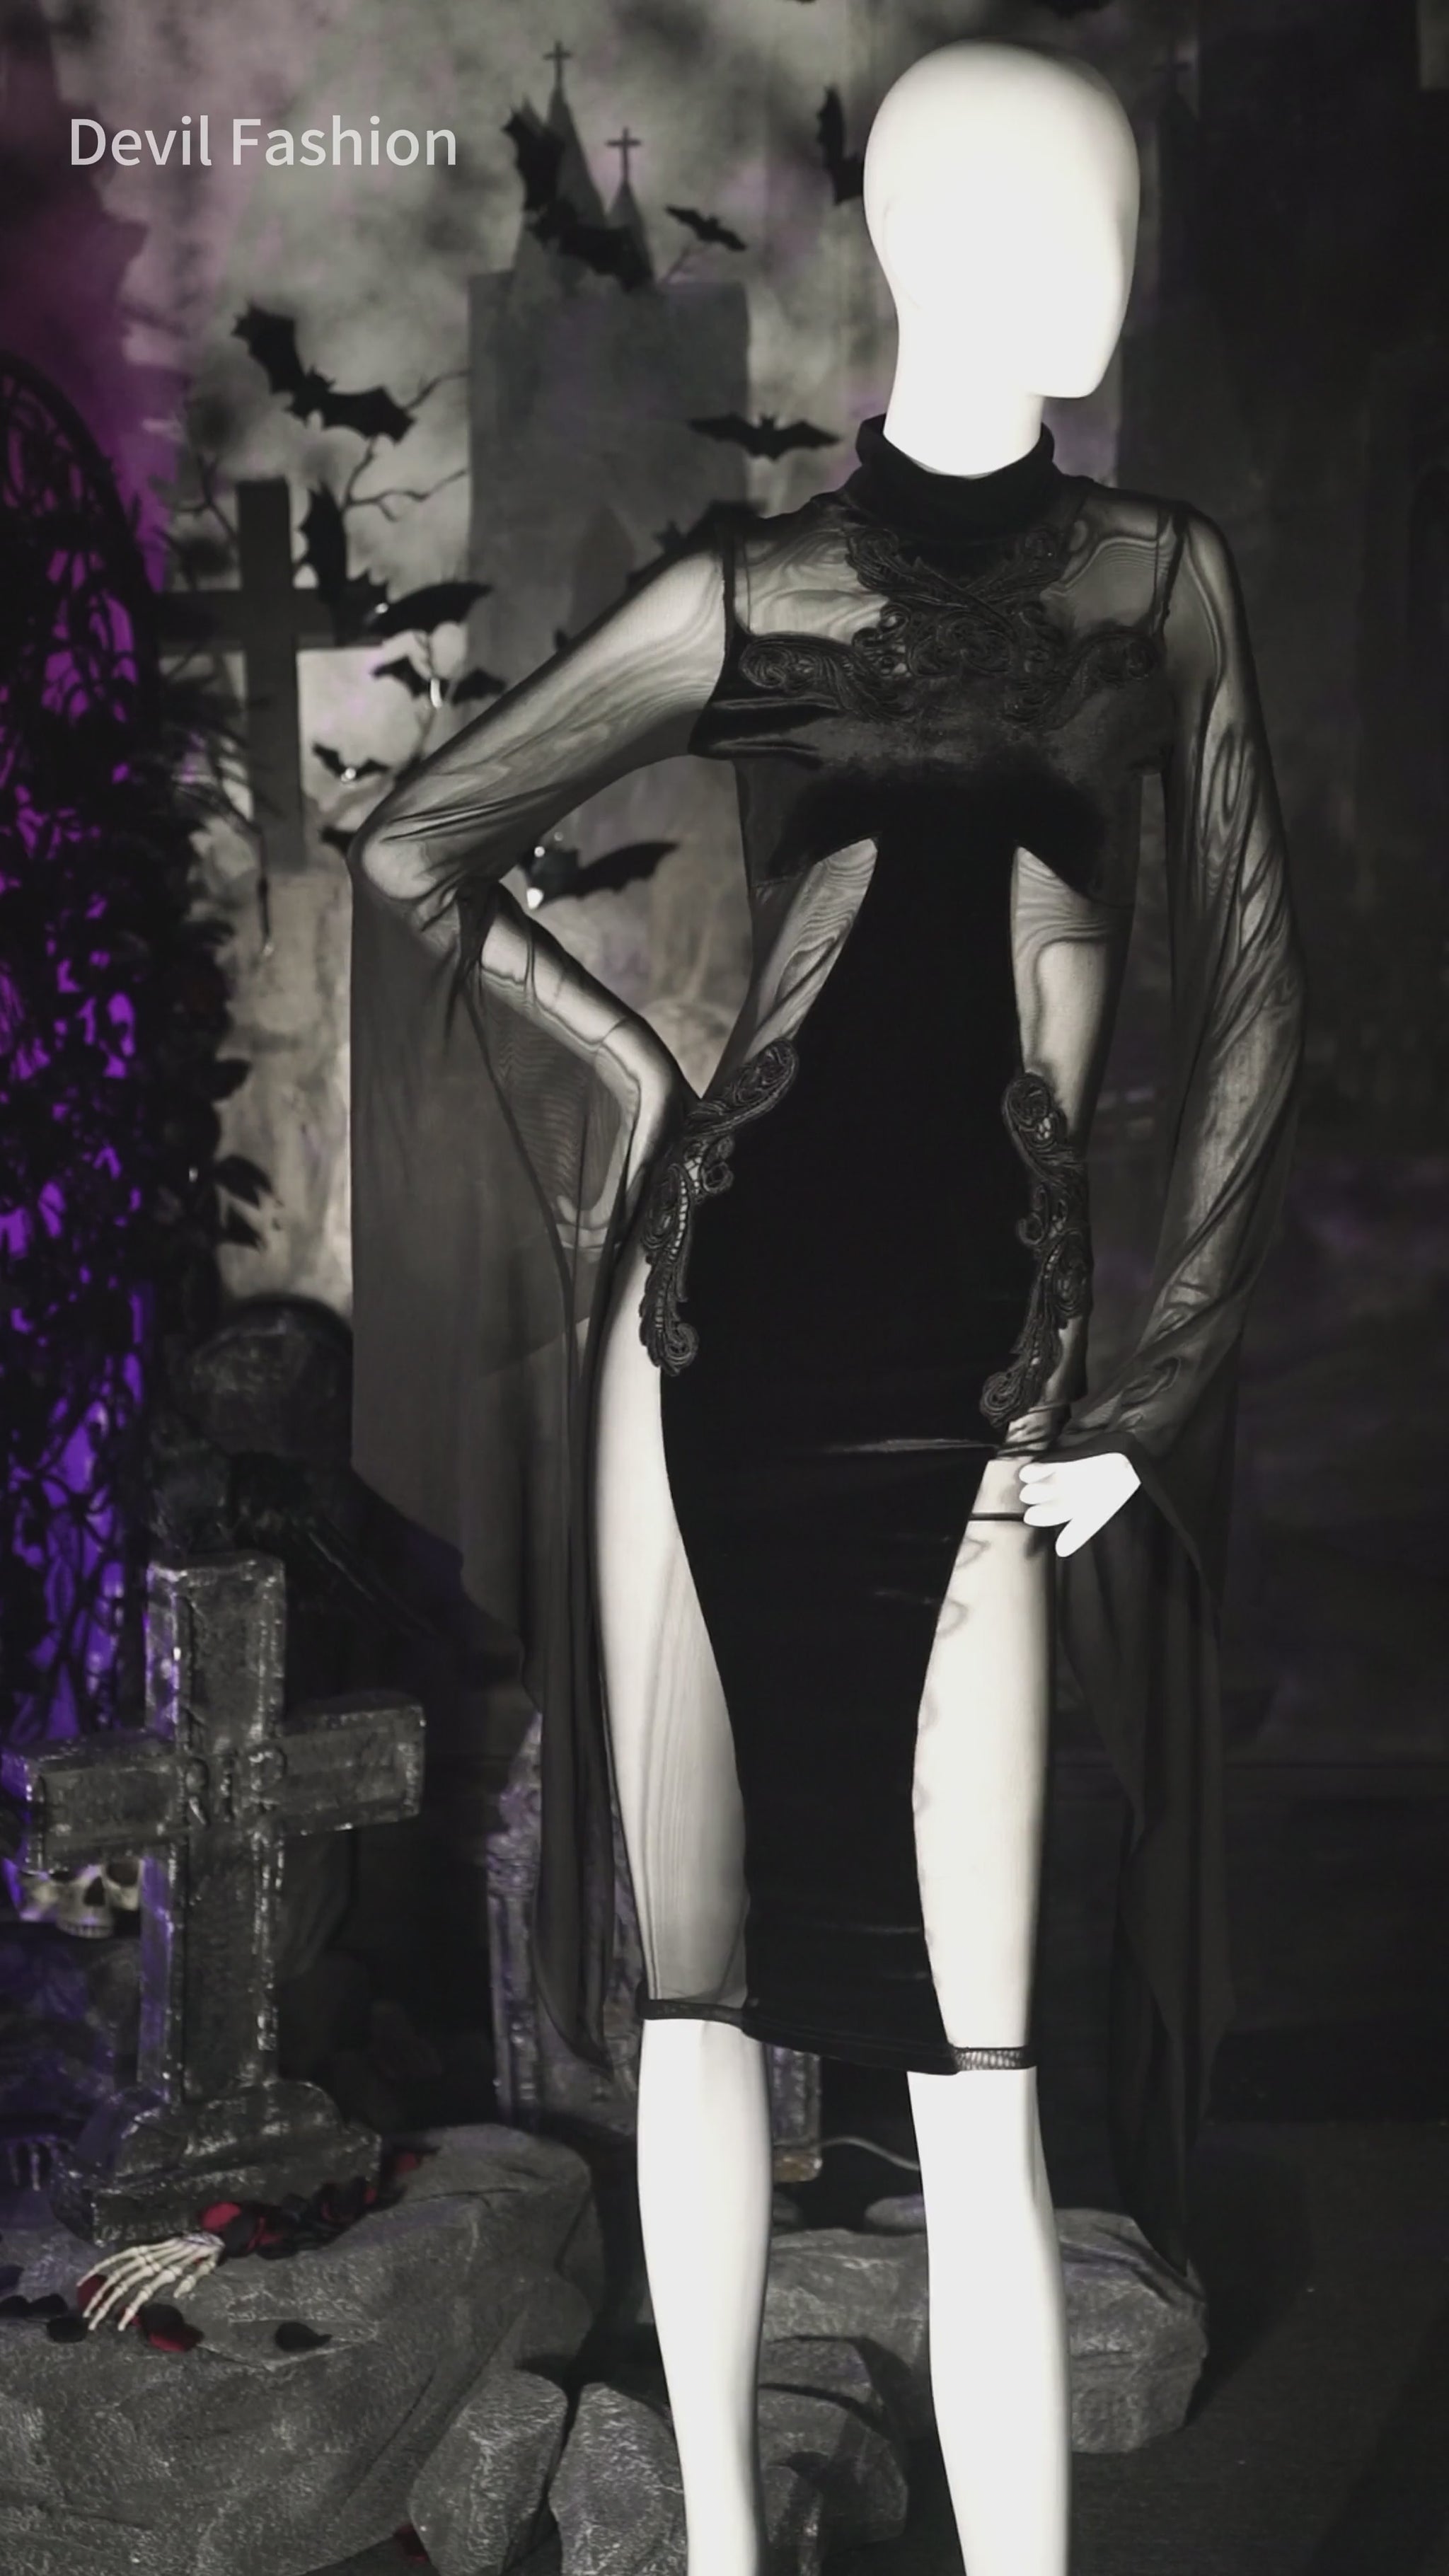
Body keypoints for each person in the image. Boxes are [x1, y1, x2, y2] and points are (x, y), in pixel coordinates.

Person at [348, 40, 1304, 2576]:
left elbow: (1253, 990)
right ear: (922, 235)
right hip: (713, 1334)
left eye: (1120, 209)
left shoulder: (1156, 583)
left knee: (982, 2065)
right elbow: (421, 842)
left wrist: (1160, 1377)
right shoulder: (746, 594)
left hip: (983, 1383)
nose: (1115, 263)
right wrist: (646, 1066)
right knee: (695, 2006)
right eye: (1067, 209)